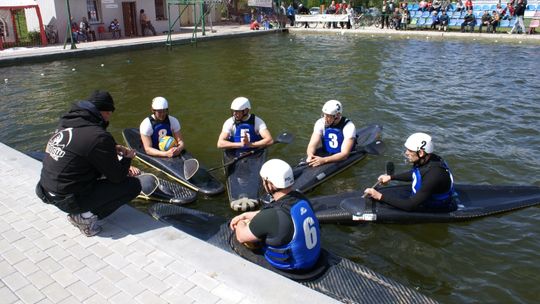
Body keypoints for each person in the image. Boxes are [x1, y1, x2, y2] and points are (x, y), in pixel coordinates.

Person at [35, 91, 141, 237]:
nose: (109, 117)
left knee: (97, 169)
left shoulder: (66, 123)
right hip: (67, 199)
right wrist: (128, 158)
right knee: (132, 185)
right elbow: (117, 177)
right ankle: (84, 217)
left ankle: (82, 209)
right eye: (109, 113)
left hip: (46, 190)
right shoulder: (98, 136)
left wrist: (112, 147)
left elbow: (81, 147)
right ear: (103, 112)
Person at [229, 159, 321, 271]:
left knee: (238, 240)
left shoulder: (271, 216)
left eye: (264, 181)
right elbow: (274, 214)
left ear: (270, 184)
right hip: (312, 258)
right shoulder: (301, 198)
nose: (263, 184)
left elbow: (241, 236)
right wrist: (245, 215)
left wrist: (240, 222)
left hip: (291, 267)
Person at [363, 132, 457, 212]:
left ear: (420, 153)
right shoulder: (428, 159)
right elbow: (415, 174)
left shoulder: (434, 175)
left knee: (385, 202)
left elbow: (409, 206)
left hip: (437, 206)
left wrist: (379, 196)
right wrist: (391, 177)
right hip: (427, 195)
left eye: (410, 150)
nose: (406, 153)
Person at [306, 100, 356, 167]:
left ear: (337, 116)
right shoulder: (320, 123)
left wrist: (324, 160)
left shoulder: (349, 127)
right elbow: (312, 144)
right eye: (324, 114)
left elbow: (344, 154)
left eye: (328, 116)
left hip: (341, 155)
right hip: (326, 152)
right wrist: (310, 155)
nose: (325, 118)